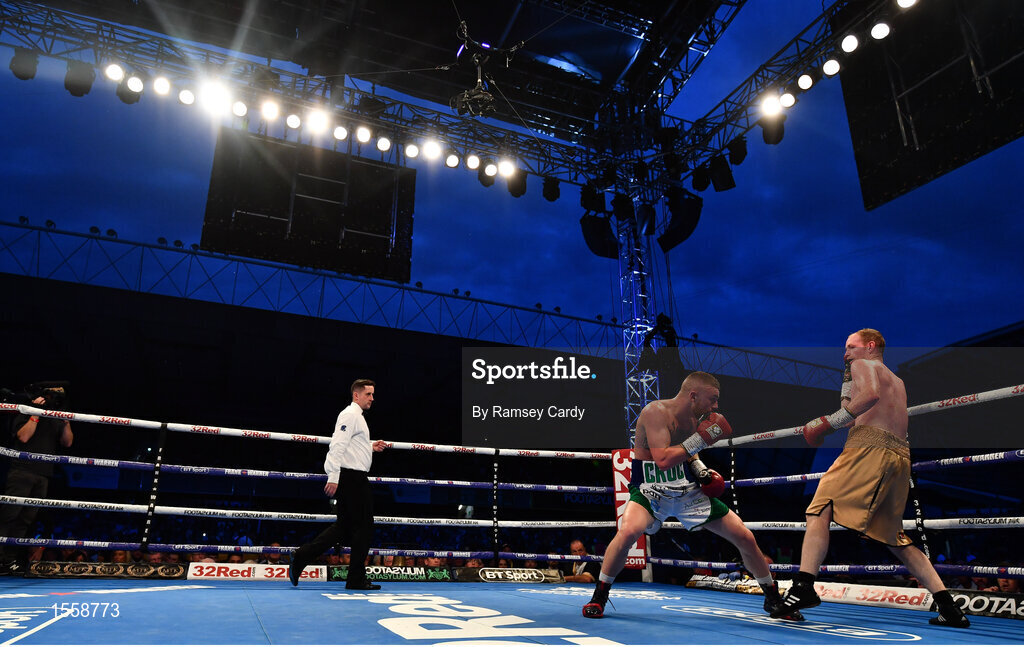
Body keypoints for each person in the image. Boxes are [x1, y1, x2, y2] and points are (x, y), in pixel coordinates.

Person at [771, 329, 970, 628]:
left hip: (867, 449)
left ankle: (803, 587)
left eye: (851, 346)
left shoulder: (863, 364)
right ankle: (949, 607)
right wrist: (845, 388)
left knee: (819, 507)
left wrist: (825, 423)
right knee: (896, 539)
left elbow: (868, 398)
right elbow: (855, 411)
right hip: (899, 457)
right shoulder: (898, 381)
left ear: (871, 346)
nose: (845, 353)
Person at [582, 372, 800, 620]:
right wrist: (702, 438)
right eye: (712, 399)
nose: (716, 406)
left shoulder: (696, 418)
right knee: (628, 532)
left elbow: (690, 453)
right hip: (650, 488)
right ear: (693, 395)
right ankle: (599, 596)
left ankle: (773, 599)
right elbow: (663, 459)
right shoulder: (656, 412)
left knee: (744, 536)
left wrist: (702, 471)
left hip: (686, 489)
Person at [289, 379, 386, 589]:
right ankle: (355, 579)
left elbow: (351, 445)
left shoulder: (356, 417)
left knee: (344, 527)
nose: (372, 398)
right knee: (364, 527)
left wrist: (369, 446)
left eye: (372, 394)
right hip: (351, 477)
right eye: (368, 394)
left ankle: (301, 556)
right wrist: (333, 475)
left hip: (351, 476)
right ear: (356, 395)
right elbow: (337, 445)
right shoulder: (350, 415)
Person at [0, 388, 73, 574]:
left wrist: (66, 421)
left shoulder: (55, 417)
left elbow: (67, 442)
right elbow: (24, 436)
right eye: (50, 395)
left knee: (26, 519)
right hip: (22, 471)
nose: (53, 400)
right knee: (9, 515)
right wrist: (35, 413)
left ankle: (8, 560)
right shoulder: (26, 411)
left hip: (44, 474)